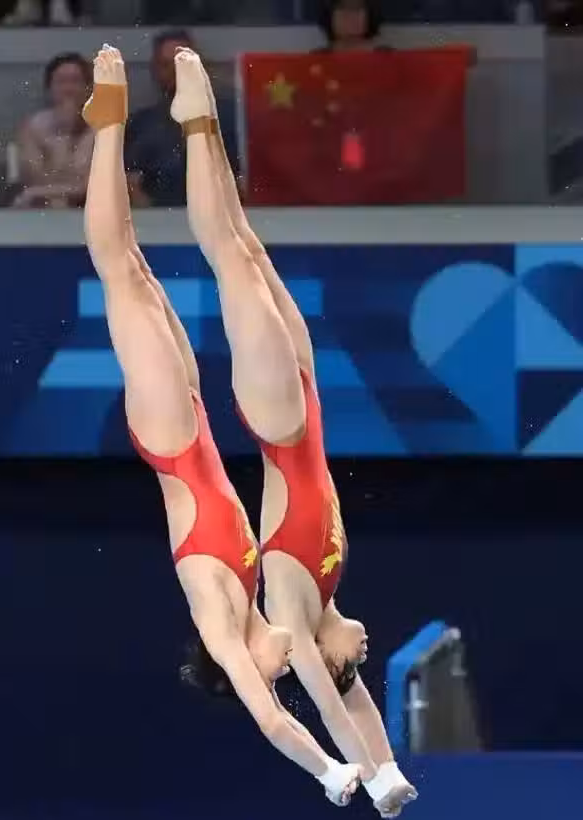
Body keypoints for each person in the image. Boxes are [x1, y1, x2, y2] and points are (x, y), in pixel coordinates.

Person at [81, 43, 362, 806]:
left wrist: (332, 774)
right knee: (146, 274)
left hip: (172, 446)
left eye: (275, 677)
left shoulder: (221, 622)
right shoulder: (257, 596)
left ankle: (109, 125)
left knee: (122, 273)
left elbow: (269, 719)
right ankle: (170, 124)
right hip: (194, 428)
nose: (284, 673)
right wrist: (372, 769)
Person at [172, 48, 418, 817]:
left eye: (355, 665)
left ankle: (193, 125)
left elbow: (332, 700)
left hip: (279, 421)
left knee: (228, 260)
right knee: (245, 244)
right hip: (306, 405)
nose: (365, 656)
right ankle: (205, 126)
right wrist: (390, 769)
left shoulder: (292, 610)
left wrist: (365, 780)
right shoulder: (330, 593)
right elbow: (364, 705)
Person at [124, 30, 238, 207]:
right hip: (159, 216)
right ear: (155, 71)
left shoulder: (230, 118)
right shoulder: (140, 124)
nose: (176, 72)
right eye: (167, 65)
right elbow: (129, 179)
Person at [13, 52, 93, 208]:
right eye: (61, 82)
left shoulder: (103, 128)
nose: (68, 89)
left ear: (88, 88)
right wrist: (63, 133)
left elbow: (90, 186)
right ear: (49, 89)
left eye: (76, 81)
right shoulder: (32, 127)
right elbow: (33, 179)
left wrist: (72, 131)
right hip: (43, 207)